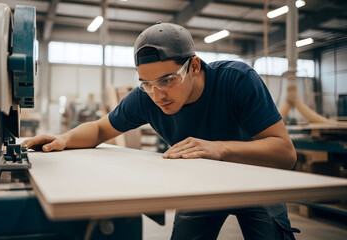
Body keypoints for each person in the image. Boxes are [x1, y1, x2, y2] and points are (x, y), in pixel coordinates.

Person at [22, 22, 300, 240]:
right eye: (147, 83)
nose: (157, 94)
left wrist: (220, 148)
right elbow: (98, 129)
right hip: (201, 186)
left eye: (167, 80)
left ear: (193, 65)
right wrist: (63, 139)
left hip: (256, 185)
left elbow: (285, 153)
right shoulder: (147, 95)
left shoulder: (237, 80)